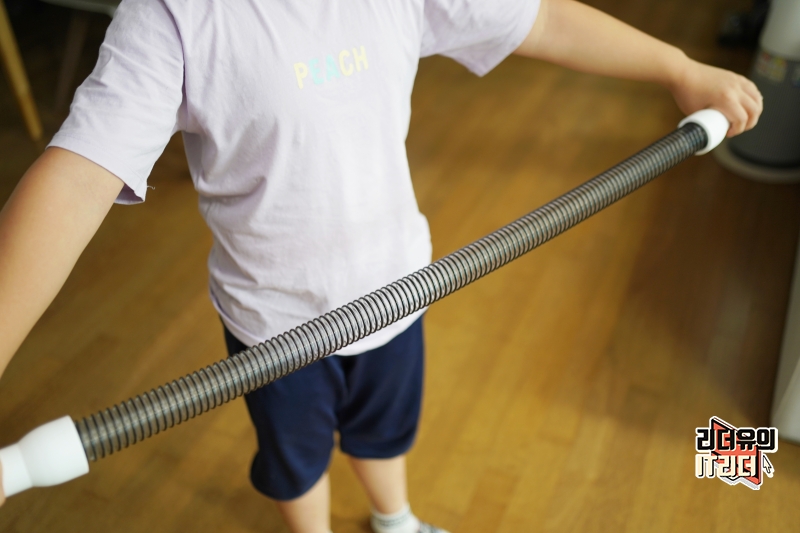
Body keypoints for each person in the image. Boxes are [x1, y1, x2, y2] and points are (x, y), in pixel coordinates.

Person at [0, 0, 761, 532]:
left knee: (386, 430)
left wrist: (677, 66)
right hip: (274, 329)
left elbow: (543, 18)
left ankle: (394, 519)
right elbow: (77, 178)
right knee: (297, 462)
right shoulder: (173, 17)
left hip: (396, 291)